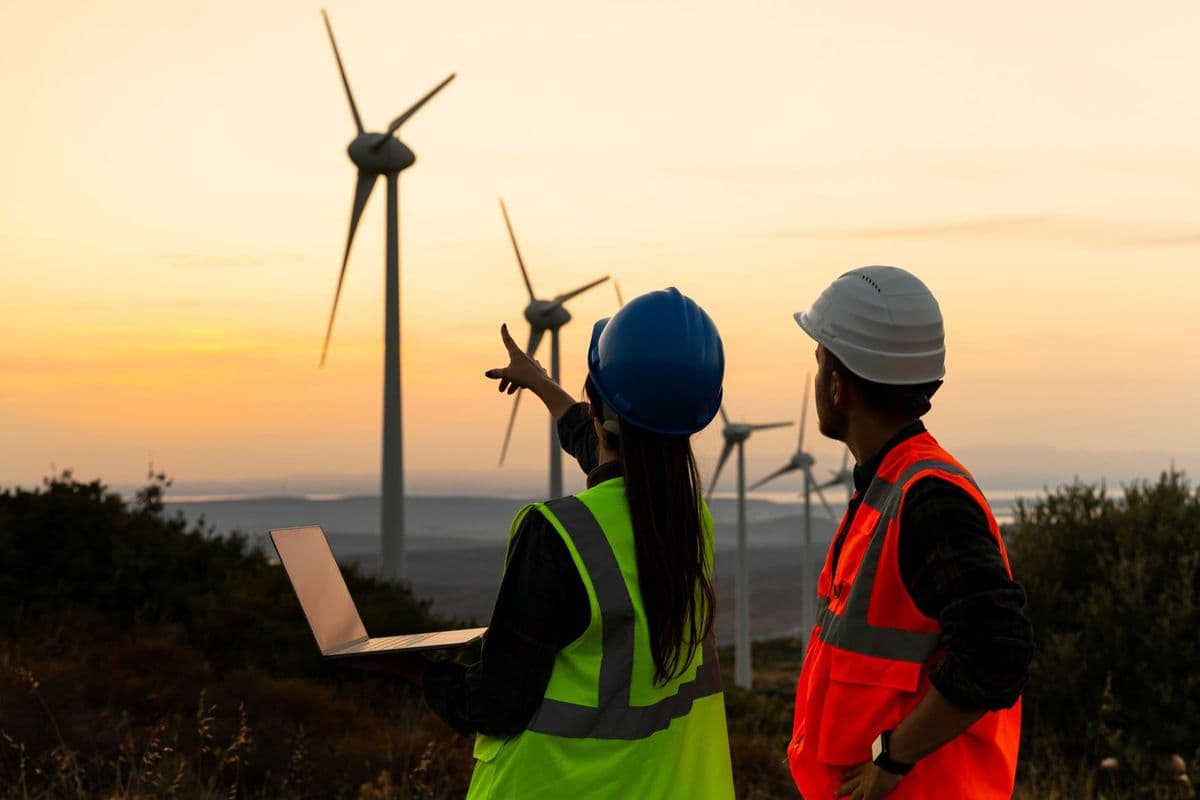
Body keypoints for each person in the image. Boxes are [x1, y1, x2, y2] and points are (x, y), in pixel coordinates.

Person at [409, 288, 735, 798]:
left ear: (601, 406)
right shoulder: (690, 521)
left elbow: (495, 703)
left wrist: (417, 671)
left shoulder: (558, 535)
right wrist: (542, 384)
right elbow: (605, 450)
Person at [786, 266, 1034, 800]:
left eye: (818, 362)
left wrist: (891, 759)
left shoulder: (928, 499)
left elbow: (999, 652)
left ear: (837, 385)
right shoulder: (890, 487)